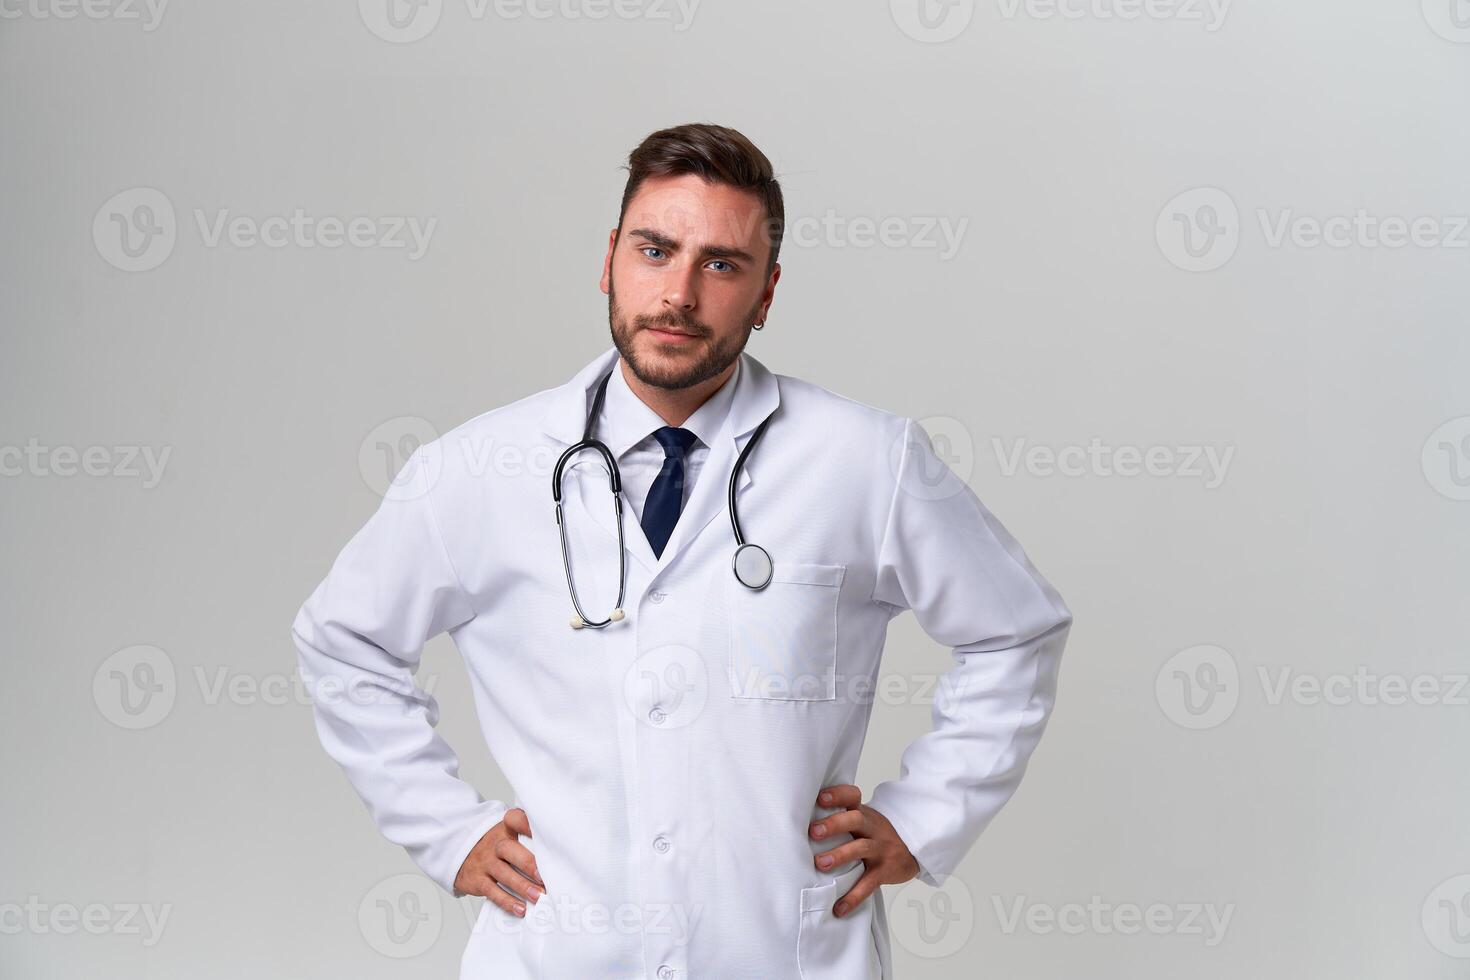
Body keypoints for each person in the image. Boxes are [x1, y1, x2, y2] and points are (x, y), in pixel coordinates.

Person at [292, 122, 1073, 979]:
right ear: (609, 263)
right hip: (559, 953)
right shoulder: (478, 469)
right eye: (655, 250)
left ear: (767, 293)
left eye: (722, 264)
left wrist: (925, 819)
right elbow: (344, 641)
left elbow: (1016, 631)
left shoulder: (865, 462)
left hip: (786, 950)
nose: (679, 294)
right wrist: (445, 829)